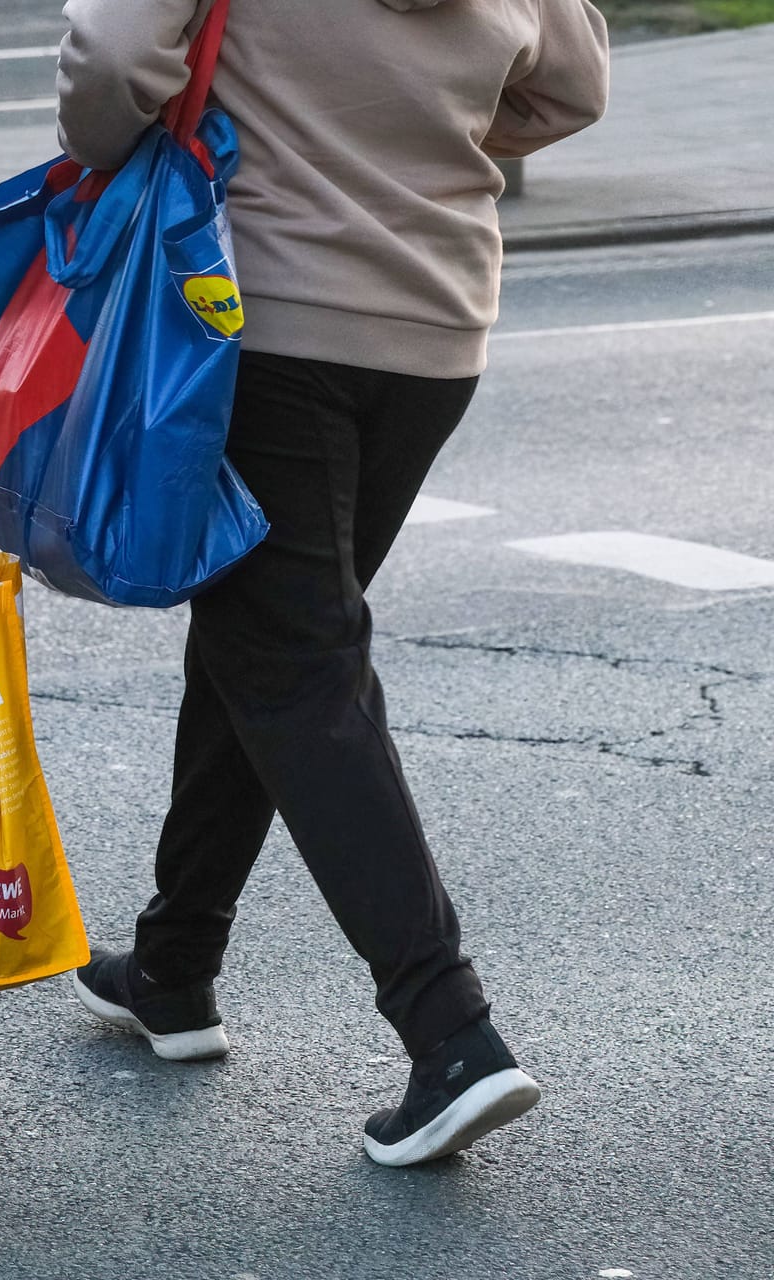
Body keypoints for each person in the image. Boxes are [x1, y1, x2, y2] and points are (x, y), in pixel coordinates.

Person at [54, 0, 608, 1165]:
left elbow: (113, 55)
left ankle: (449, 1028)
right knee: (265, 640)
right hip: (433, 331)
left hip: (262, 317)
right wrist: (411, 142)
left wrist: (120, 147)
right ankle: (174, 963)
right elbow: (570, 83)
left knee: (299, 670)